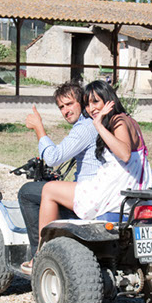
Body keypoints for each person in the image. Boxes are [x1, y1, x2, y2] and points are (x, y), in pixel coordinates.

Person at [22, 80, 152, 274]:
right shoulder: (126, 120)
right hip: (132, 188)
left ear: (108, 100)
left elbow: (124, 153)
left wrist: (97, 124)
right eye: (88, 104)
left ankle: (42, 257)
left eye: (96, 102)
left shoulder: (116, 121)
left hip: (112, 192)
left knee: (48, 190)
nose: (92, 108)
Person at [17, 81, 103, 270]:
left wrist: (39, 128)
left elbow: (54, 158)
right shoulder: (96, 123)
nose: (65, 110)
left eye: (69, 104)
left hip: (90, 191)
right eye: (61, 107)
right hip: (102, 188)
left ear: (81, 101)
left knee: (27, 192)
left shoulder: (85, 127)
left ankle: (39, 255)